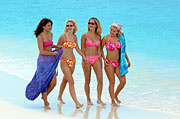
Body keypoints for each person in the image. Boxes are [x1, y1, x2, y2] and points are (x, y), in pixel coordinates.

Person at [25, 18, 63, 109]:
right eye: (48, 25)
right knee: (43, 82)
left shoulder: (51, 34)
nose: (50, 27)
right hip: (43, 62)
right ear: (43, 26)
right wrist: (53, 53)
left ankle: (44, 96)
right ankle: (46, 101)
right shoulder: (40, 36)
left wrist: (56, 46)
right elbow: (42, 51)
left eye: (51, 25)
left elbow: (49, 45)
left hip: (51, 61)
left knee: (53, 83)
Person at [57, 19, 86, 108]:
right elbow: (57, 47)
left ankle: (59, 97)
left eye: (71, 26)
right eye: (67, 26)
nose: (69, 27)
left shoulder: (75, 37)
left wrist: (83, 56)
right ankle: (77, 103)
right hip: (64, 61)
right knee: (71, 81)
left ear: (74, 27)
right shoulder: (63, 36)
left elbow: (77, 48)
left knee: (65, 79)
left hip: (73, 61)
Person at [101, 22, 130, 107]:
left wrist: (127, 59)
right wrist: (104, 58)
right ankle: (112, 101)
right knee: (112, 82)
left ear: (117, 32)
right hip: (109, 63)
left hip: (118, 63)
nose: (111, 32)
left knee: (123, 82)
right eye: (111, 30)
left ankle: (115, 95)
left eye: (113, 31)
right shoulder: (106, 38)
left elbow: (123, 50)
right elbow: (100, 49)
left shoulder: (120, 38)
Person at [81, 17, 106, 106]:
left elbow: (99, 50)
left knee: (100, 80)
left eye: (92, 23)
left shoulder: (98, 36)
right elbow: (82, 49)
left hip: (96, 59)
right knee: (87, 80)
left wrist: (101, 59)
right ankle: (88, 99)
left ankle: (99, 99)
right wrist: (84, 59)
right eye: (89, 23)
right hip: (87, 59)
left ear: (96, 25)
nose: (90, 25)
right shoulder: (84, 36)